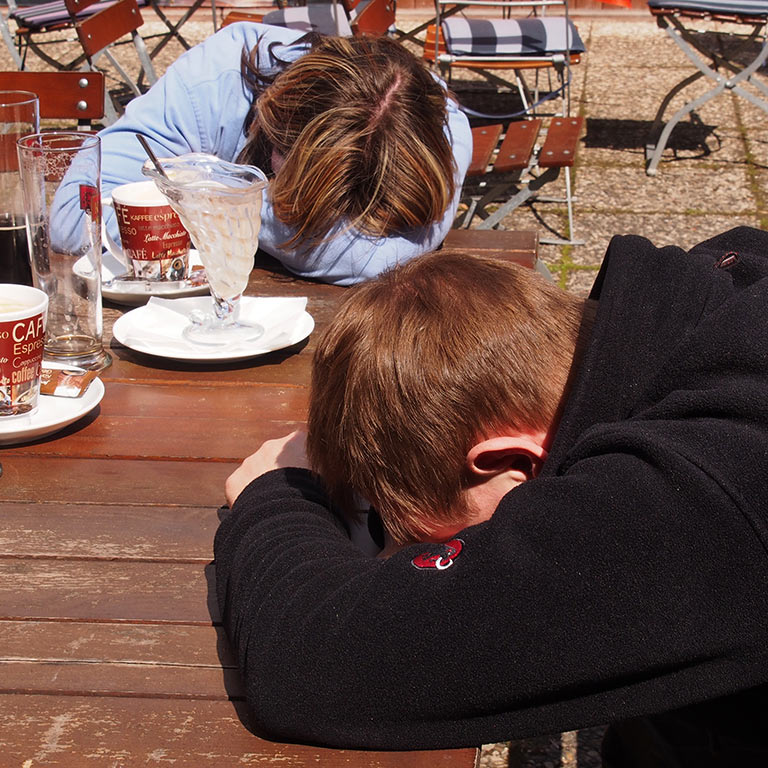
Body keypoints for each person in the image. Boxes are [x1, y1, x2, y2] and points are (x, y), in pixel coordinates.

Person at [215, 227, 768, 765]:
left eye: (430, 541)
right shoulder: (697, 306)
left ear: (512, 463)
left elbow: (313, 665)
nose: (397, 560)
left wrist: (275, 497)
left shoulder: (706, 494)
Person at [98, 23, 472, 285]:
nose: (344, 222)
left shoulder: (437, 123)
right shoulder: (210, 84)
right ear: (270, 124)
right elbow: (79, 216)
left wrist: (218, 199)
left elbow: (386, 259)